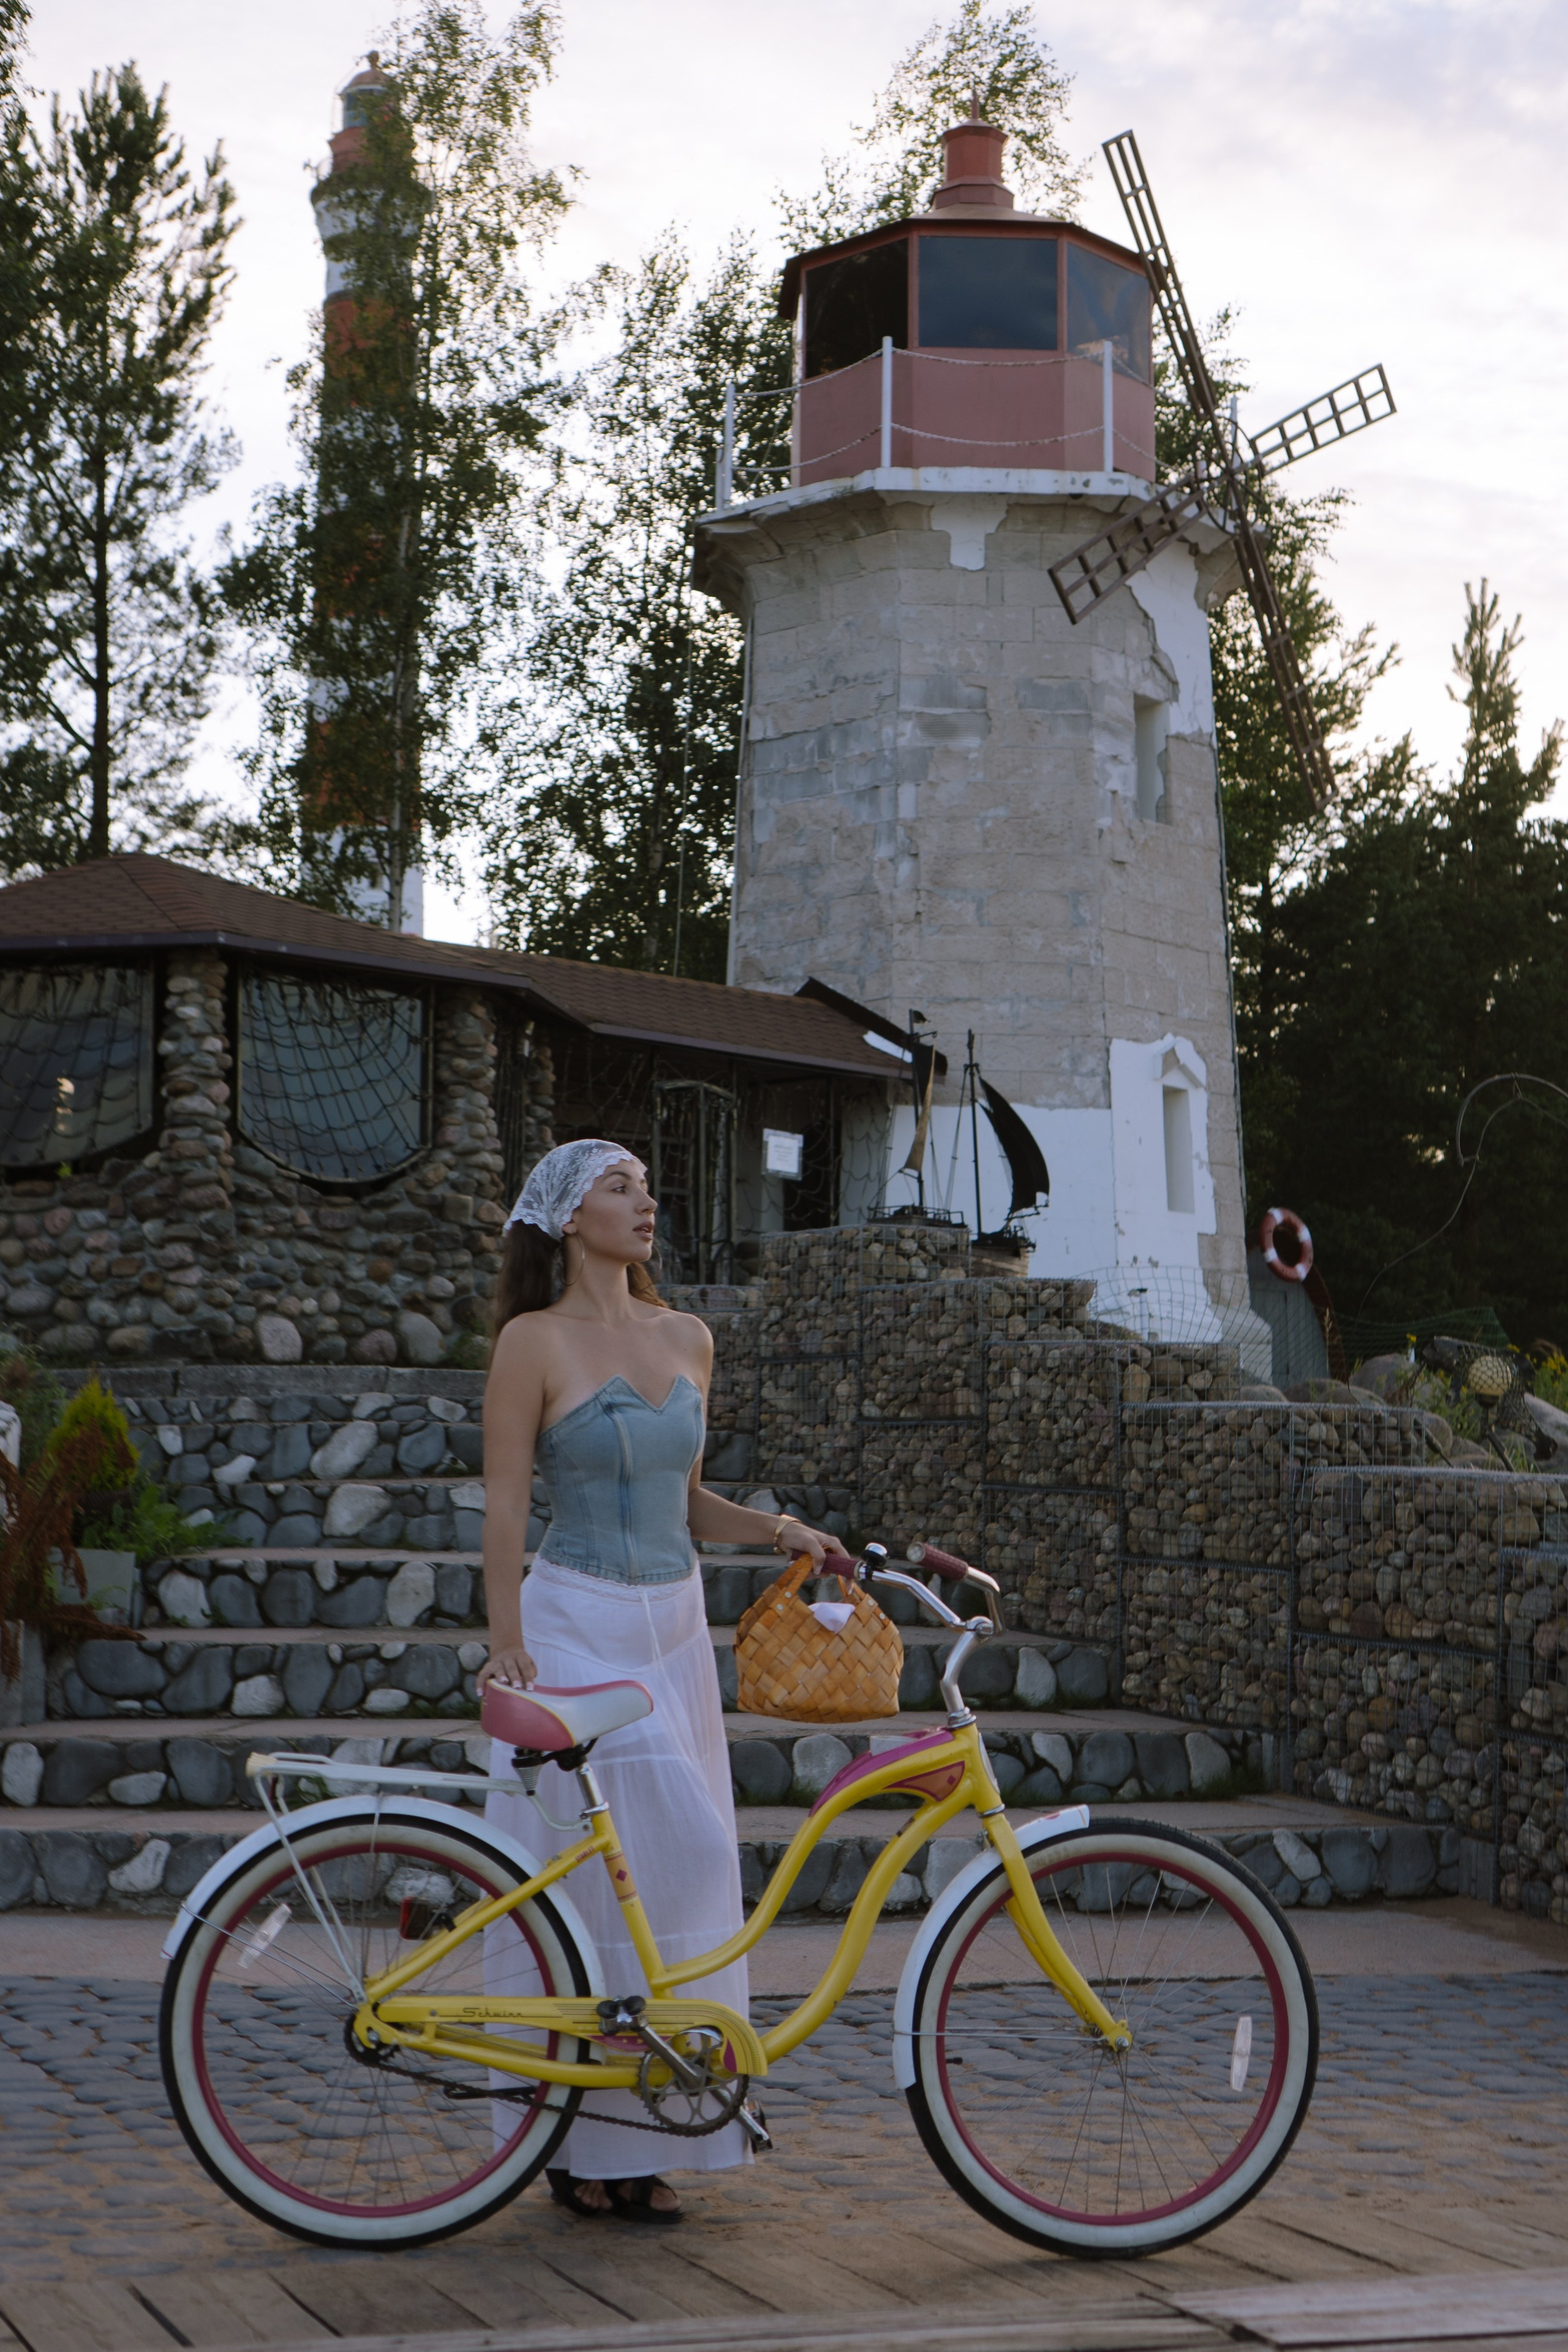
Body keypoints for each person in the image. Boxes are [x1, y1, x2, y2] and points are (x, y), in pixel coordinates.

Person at [480, 1138, 839, 2225]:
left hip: (676, 1631)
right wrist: (506, 1640)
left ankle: (645, 2132)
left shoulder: (689, 1336)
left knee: (681, 1878)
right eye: (618, 1187)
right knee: (595, 1883)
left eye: (645, 1184)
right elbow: (505, 1505)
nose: (645, 1202)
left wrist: (782, 1530)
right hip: (571, 1626)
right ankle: (571, 2137)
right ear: (567, 1217)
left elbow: (688, 1503)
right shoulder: (532, 1341)